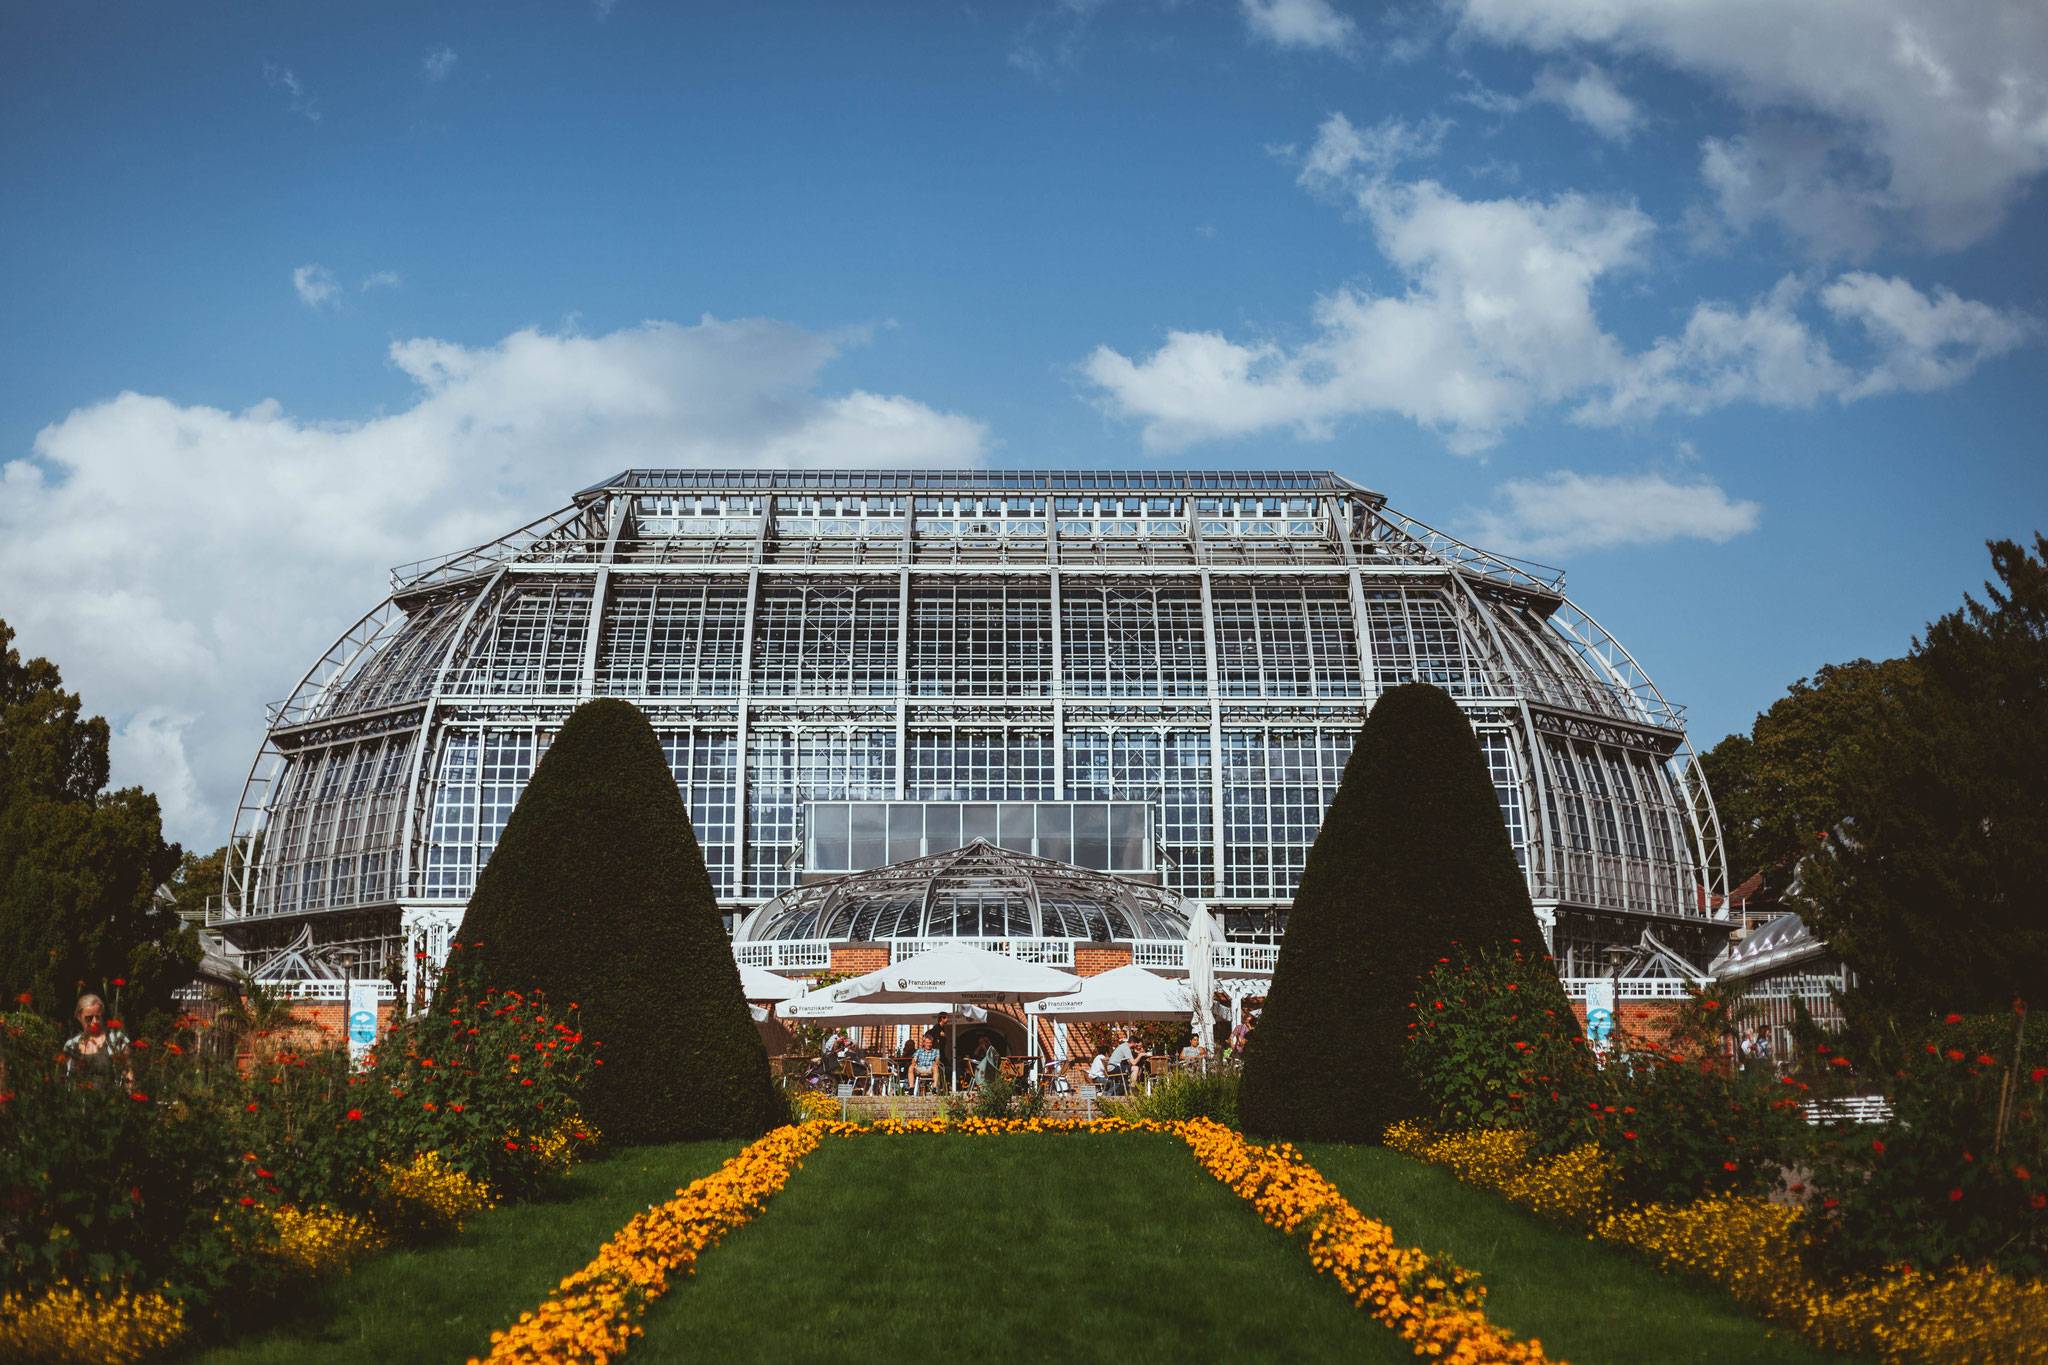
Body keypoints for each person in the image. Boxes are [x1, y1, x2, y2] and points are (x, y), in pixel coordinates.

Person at [64, 994, 132, 1086]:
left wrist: (129, 1094)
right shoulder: (71, 1045)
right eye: (89, 1018)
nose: (94, 1021)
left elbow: (128, 1072)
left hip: (109, 1098)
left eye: (98, 1017)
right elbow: (68, 1078)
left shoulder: (116, 1039)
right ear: (79, 1017)